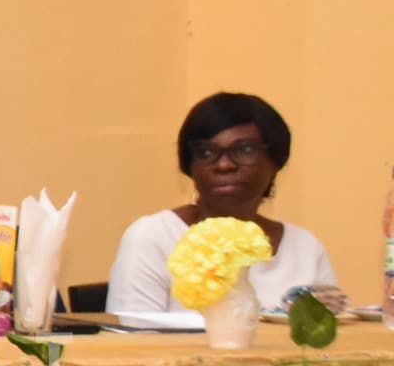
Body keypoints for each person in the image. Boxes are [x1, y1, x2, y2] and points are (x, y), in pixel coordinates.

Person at [108, 93, 338, 314]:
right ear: (190, 165)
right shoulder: (153, 236)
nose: (224, 165)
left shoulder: (305, 247)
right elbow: (131, 341)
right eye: (206, 152)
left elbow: (328, 339)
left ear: (276, 160)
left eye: (244, 150)